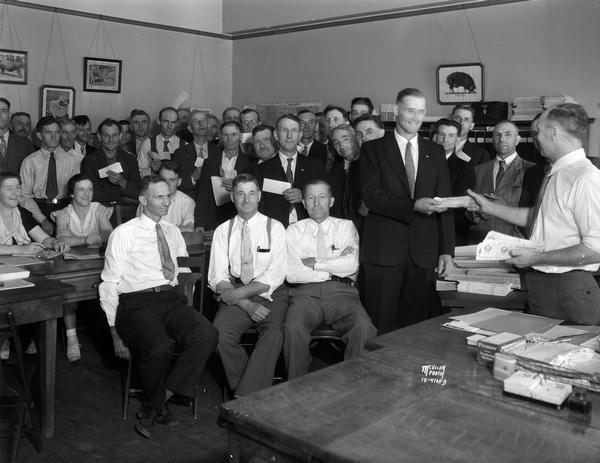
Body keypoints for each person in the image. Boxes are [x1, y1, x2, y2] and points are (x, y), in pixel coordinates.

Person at [99, 175, 218, 439]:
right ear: (143, 199)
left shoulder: (173, 231)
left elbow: (182, 267)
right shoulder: (124, 233)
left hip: (171, 299)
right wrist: (113, 330)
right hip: (137, 301)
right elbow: (108, 282)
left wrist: (186, 292)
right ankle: (159, 405)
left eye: (168, 196)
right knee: (160, 347)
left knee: (207, 333)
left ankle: (158, 401)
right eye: (159, 196)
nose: (166, 201)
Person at [467, 103, 600, 325]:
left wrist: (537, 257)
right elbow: (539, 219)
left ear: (553, 132)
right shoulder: (558, 172)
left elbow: (595, 249)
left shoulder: (585, 177)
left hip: (569, 288)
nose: (536, 138)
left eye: (538, 132)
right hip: (545, 286)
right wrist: (490, 208)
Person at [359, 88, 454, 334]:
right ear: (397, 110)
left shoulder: (435, 152)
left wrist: (447, 251)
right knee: (382, 325)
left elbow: (444, 202)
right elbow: (372, 196)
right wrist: (413, 205)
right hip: (384, 252)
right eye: (410, 110)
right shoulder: (373, 149)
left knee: (419, 329)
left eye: (421, 111)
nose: (416, 117)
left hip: (423, 253)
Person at [284, 179, 376, 378]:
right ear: (304, 203)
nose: (316, 203)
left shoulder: (346, 227)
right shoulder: (293, 231)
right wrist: (334, 266)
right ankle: (296, 388)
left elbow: (351, 265)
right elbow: (292, 272)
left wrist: (315, 263)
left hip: (342, 293)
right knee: (292, 328)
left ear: (331, 201)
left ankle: (354, 386)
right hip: (304, 294)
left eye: (322, 197)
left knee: (363, 326)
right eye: (311, 198)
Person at [208, 173, 287, 396]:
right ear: (232, 197)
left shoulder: (276, 227)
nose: (246, 199)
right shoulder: (223, 231)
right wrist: (246, 304)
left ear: (259, 196)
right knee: (219, 334)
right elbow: (217, 276)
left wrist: (239, 294)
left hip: (270, 295)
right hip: (235, 294)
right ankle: (252, 394)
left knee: (273, 333)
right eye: (240, 194)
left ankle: (243, 396)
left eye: (251, 193)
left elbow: (275, 275)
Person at [53, 173, 113, 361]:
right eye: (81, 189)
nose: (87, 194)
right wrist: (85, 239)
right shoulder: (64, 213)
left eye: (90, 189)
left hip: (98, 262)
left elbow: (108, 232)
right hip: (73, 264)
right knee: (70, 292)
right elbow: (61, 237)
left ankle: (115, 337)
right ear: (72, 193)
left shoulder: (98, 209)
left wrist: (100, 236)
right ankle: (72, 338)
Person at [468, 121, 534, 242]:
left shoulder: (531, 170)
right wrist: (477, 214)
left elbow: (535, 212)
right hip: (481, 240)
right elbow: (467, 209)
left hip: (514, 239)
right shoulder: (479, 170)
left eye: (508, 134)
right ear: (492, 139)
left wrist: (501, 208)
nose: (502, 139)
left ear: (517, 140)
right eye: (497, 135)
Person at [255, 114, 325, 227]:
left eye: (294, 131)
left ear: (300, 135)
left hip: (309, 230)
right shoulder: (261, 169)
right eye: (284, 130)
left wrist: (303, 195)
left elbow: (325, 198)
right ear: (276, 135)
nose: (289, 136)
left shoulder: (315, 166)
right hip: (275, 231)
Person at [19, 116, 81, 234]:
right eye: (48, 132)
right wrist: (42, 220)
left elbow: (77, 192)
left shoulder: (73, 160)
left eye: (57, 132)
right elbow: (24, 196)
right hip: (37, 210)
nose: (54, 137)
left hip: (65, 209)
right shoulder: (30, 161)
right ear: (39, 135)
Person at [195, 120, 250, 230]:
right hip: (214, 219)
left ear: (240, 137)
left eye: (233, 135)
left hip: (241, 218)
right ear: (221, 137)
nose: (230, 139)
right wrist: (200, 223)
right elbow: (202, 195)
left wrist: (236, 187)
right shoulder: (210, 162)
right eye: (226, 135)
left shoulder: (250, 163)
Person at [432, 118, 474, 245]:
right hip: (422, 226)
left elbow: (460, 204)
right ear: (435, 137)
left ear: (457, 140)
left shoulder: (465, 168)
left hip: (452, 229)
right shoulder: (421, 163)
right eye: (442, 135)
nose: (445, 140)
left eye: (451, 136)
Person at [81, 118, 141, 205]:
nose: (111, 140)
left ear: (120, 136)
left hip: (126, 213)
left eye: (115, 135)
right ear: (99, 137)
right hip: (99, 213)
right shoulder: (89, 161)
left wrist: (122, 182)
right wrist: (122, 192)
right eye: (106, 135)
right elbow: (91, 194)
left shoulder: (130, 160)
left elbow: (138, 191)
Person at [172, 110, 219, 198]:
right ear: (190, 128)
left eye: (204, 120)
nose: (201, 124)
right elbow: (172, 182)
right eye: (196, 121)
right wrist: (192, 178)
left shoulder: (218, 152)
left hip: (212, 205)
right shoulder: (180, 153)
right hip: (188, 202)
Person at [137, 161, 194, 232]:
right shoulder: (147, 200)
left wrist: (165, 232)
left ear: (179, 182)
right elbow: (140, 229)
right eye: (163, 180)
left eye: (172, 180)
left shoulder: (186, 202)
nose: (167, 184)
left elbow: (190, 228)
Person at [328, 124, 365, 234]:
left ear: (355, 138)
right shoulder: (332, 170)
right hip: (340, 230)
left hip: (365, 229)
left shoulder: (368, 165)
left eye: (345, 139)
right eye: (336, 143)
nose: (342, 146)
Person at [137, 107, 184, 177]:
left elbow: (187, 173)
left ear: (177, 124)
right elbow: (139, 172)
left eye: (173, 122)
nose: (169, 126)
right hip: (154, 186)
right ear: (159, 121)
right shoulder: (147, 144)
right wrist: (152, 170)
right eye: (166, 121)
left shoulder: (185, 145)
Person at [0, 98, 36, 174]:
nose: (0, 115)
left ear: (9, 115)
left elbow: (33, 173)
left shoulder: (25, 144)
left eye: (3, 111)